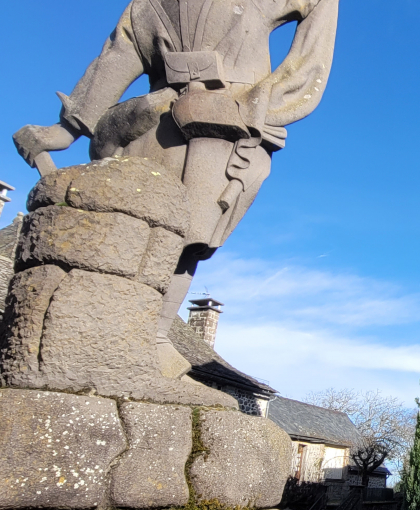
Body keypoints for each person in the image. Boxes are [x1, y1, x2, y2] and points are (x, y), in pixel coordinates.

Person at [13, 0, 338, 374]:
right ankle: (111, 343)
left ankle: (153, 339)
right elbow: (124, 49)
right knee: (130, 233)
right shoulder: (148, 4)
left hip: (225, 129)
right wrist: (65, 131)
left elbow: (308, 63)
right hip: (152, 121)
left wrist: (255, 108)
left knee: (185, 240)